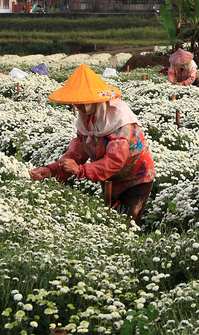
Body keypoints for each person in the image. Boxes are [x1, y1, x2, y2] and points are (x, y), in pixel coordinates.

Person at [30, 65, 156, 225]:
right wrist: (53, 169)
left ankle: (131, 247)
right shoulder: (87, 117)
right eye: (76, 101)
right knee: (110, 221)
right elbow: (78, 152)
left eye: (82, 101)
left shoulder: (119, 119)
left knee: (127, 224)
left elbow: (115, 161)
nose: (78, 106)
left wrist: (81, 170)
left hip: (136, 177)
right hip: (109, 177)